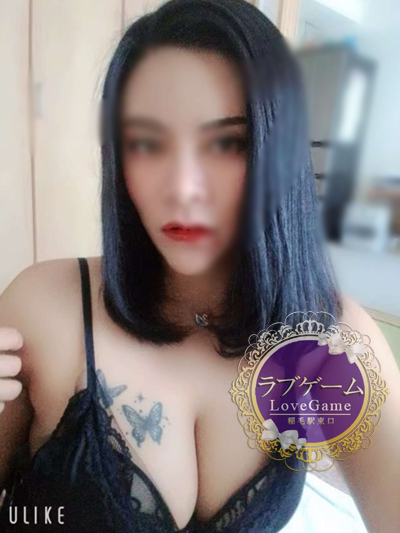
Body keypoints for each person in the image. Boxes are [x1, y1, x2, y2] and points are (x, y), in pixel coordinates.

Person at [0, 0, 399, 531]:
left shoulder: (333, 342)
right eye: (147, 142)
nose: (183, 188)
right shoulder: (43, 309)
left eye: (228, 142)